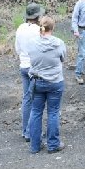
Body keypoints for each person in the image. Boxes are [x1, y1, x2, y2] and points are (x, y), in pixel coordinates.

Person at [27, 16, 67, 154]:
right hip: (55, 82)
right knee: (53, 112)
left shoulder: (31, 43)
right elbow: (63, 58)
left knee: (36, 112)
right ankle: (53, 144)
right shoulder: (59, 43)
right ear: (53, 28)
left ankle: (35, 146)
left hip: (37, 82)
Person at [14, 2, 45, 142]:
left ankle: (25, 129)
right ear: (37, 16)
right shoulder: (38, 30)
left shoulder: (20, 28)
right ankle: (31, 132)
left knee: (27, 98)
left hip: (23, 65)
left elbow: (18, 49)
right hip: (35, 68)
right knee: (37, 100)